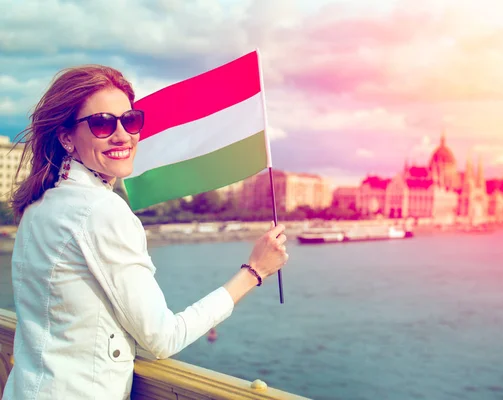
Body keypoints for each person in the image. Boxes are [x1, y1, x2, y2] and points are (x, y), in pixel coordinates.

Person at [4, 65, 289, 399]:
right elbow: (162, 339)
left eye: (130, 120)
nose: (122, 135)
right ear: (66, 137)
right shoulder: (102, 210)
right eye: (101, 123)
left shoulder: (38, 206)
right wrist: (254, 271)